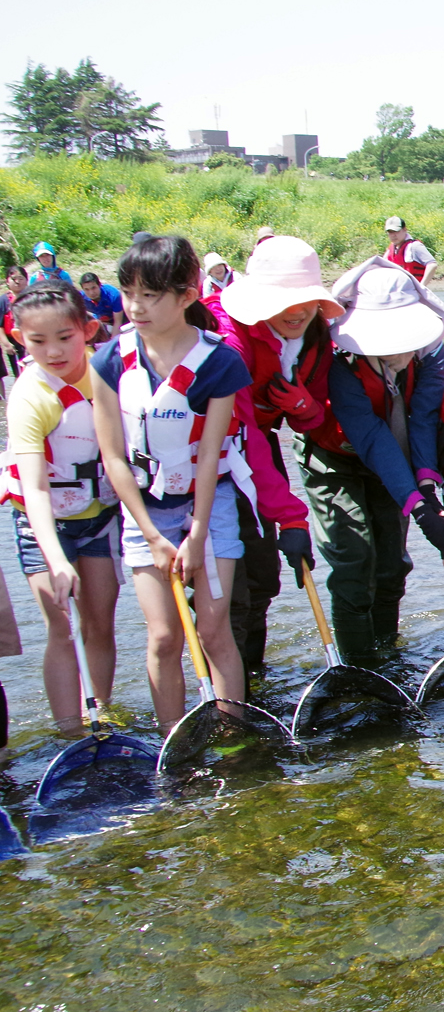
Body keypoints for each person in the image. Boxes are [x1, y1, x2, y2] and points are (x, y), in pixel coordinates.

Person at [91, 236, 257, 732]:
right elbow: (114, 456)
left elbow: (210, 455)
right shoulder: (107, 361)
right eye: (128, 293)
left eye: (150, 295)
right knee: (164, 637)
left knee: (213, 630)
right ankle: (174, 742)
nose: (135, 307)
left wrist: (198, 531)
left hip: (208, 505)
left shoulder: (220, 362)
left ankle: (232, 737)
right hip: (144, 512)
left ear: (187, 295)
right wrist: (154, 535)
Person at [302, 259, 444, 663]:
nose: (393, 351)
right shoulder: (338, 360)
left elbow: (422, 419)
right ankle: (358, 669)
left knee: (391, 565)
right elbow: (371, 438)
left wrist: (426, 489)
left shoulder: (430, 354)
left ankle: (387, 658)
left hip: (398, 454)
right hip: (336, 458)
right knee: (354, 559)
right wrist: (420, 510)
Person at [212, 236, 346, 673]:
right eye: (284, 301)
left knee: (264, 582)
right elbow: (245, 430)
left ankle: (254, 679)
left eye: (306, 300)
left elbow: (312, 421)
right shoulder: (230, 341)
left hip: (259, 449)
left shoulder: (314, 338)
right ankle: (231, 698)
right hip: (214, 458)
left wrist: (301, 404)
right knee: (233, 591)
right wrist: (291, 516)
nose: (297, 312)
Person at [3, 283, 123, 732]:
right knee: (62, 626)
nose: (52, 351)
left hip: (100, 518)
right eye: (37, 341)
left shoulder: (107, 374)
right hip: (42, 525)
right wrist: (55, 560)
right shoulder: (29, 397)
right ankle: (70, 730)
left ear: (88, 329)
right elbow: (33, 488)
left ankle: (103, 717)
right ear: (17, 337)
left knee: (100, 622)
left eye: (64, 337)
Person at [383, 216, 439, 288]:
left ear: (405, 230)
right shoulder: (390, 250)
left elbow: (432, 265)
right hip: (398, 291)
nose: (393, 235)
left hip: (414, 291)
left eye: (396, 231)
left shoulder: (415, 246)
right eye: (390, 232)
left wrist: (422, 286)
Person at [76, 272, 125, 343]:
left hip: (121, 319)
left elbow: (118, 322)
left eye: (93, 288)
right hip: (101, 320)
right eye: (86, 289)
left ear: (100, 285)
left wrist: (112, 344)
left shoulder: (113, 295)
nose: (91, 292)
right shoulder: (81, 298)